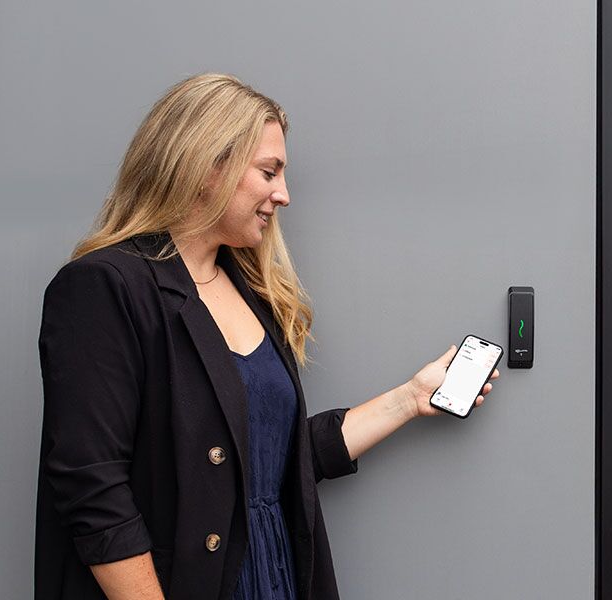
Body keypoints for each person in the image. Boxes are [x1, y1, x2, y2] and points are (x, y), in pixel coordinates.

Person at [34, 72, 500, 600]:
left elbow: (272, 459)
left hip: (275, 576)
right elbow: (93, 490)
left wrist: (411, 399)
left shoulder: (249, 289)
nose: (284, 195)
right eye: (269, 171)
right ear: (208, 165)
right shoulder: (105, 285)